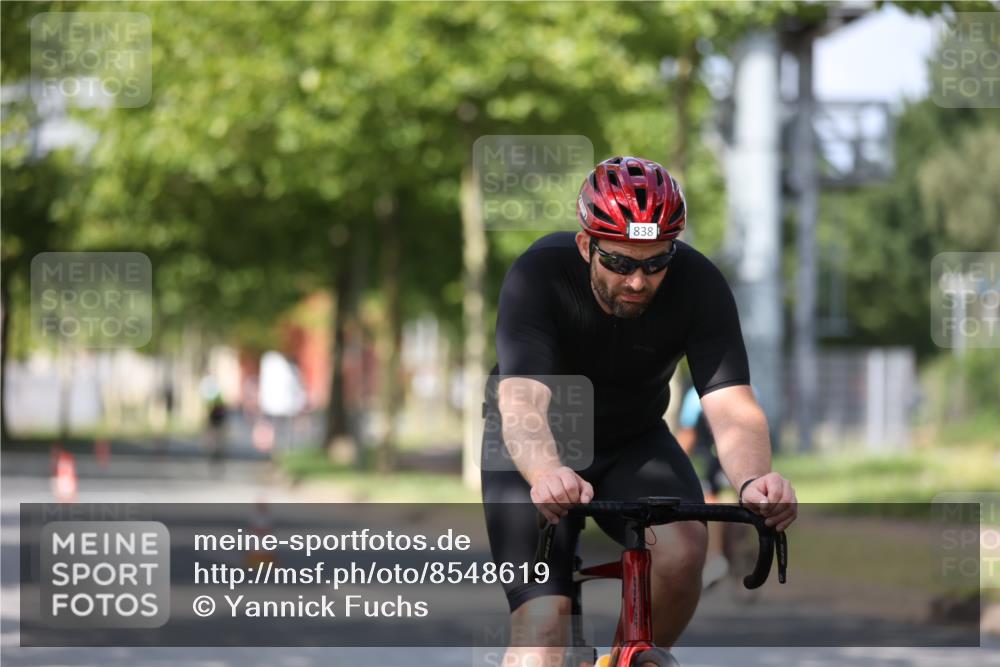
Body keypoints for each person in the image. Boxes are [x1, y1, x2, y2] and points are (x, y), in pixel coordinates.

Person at [480, 156, 797, 664]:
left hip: (634, 442)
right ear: (587, 245)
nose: (637, 281)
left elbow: (730, 403)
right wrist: (545, 472)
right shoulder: (538, 276)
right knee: (543, 626)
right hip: (535, 447)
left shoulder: (699, 284)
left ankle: (624, 659)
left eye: (655, 263)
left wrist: (755, 481)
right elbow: (522, 399)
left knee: (685, 549)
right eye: (621, 263)